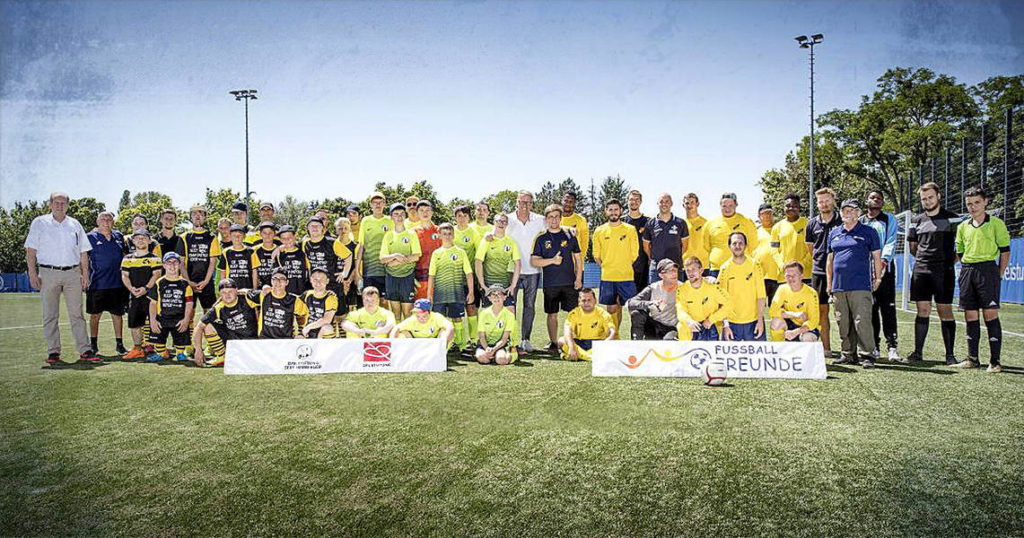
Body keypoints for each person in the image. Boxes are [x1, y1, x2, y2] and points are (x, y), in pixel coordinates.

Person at [24, 192, 98, 364]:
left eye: (63, 203)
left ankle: (85, 349)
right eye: (56, 202)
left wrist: (85, 273)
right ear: (50, 204)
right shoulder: (40, 222)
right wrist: (32, 274)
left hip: (72, 273)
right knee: (50, 314)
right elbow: (30, 251)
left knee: (77, 314)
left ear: (67, 205)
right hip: (48, 273)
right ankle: (53, 351)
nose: (59, 205)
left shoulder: (75, 224)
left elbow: (83, 252)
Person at [954, 187, 1011, 372]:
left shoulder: (996, 224)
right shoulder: (962, 227)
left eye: (977, 202)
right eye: (969, 204)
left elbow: (1005, 251)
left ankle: (995, 362)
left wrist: (998, 274)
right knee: (970, 315)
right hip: (967, 270)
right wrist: (967, 269)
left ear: (985, 202)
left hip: (988, 270)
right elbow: (960, 252)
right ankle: (972, 358)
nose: (973, 207)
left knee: (990, 315)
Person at [905, 182, 960, 365]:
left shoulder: (952, 219)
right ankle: (918, 352)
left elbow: (960, 246)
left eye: (930, 197)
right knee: (923, 310)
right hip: (921, 270)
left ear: (938, 196)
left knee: (945, 311)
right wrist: (924, 259)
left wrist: (946, 263)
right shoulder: (916, 220)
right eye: (924, 199)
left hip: (944, 272)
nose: (927, 201)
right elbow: (913, 247)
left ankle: (950, 355)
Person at [826, 199, 883, 368]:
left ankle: (867, 355)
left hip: (860, 285)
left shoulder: (869, 232)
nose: (847, 213)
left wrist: (878, 278)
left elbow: (876, 257)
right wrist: (829, 283)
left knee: (862, 320)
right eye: (845, 210)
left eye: (852, 210)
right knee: (843, 321)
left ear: (859, 213)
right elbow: (830, 260)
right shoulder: (834, 233)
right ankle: (848, 354)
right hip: (838, 286)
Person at [531, 204, 583, 354]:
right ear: (546, 219)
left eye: (556, 216)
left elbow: (578, 258)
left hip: (569, 282)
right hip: (550, 283)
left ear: (560, 218)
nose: (553, 219)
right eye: (550, 217)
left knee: (573, 313)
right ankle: (553, 342)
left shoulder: (569, 235)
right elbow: (534, 261)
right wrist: (552, 261)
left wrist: (578, 278)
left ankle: (574, 340)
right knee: (552, 314)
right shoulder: (541, 238)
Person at [504, 190, 546, 352]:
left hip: (533, 270)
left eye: (528, 202)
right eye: (522, 202)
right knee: (510, 306)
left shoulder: (539, 219)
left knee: (529, 306)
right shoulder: (507, 219)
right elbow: (494, 231)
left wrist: (568, 228)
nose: (525, 205)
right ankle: (511, 340)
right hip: (511, 270)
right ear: (517, 202)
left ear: (532, 204)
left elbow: (554, 223)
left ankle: (525, 340)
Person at [860, 189, 900, 362]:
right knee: (871, 309)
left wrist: (882, 262)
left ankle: (892, 347)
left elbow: (891, 241)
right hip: (865, 272)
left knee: (888, 308)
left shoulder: (889, 219)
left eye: (879, 198)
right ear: (866, 200)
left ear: (882, 202)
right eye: (872, 197)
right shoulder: (860, 221)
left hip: (885, 271)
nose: (875, 200)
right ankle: (874, 346)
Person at [803, 187, 842, 357]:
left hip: (841, 272)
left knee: (843, 312)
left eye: (827, 200)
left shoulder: (842, 221)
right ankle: (826, 349)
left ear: (833, 201)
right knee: (822, 311)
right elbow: (811, 248)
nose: (824, 204)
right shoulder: (812, 224)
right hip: (819, 272)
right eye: (820, 201)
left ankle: (848, 350)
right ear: (817, 204)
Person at [592, 198, 639, 338]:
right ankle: (614, 337)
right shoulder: (599, 231)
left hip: (626, 276)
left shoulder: (630, 229)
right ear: (606, 212)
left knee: (632, 309)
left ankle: (636, 336)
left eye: (616, 209)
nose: (613, 212)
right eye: (610, 210)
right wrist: (607, 266)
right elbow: (596, 255)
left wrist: (622, 264)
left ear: (621, 211)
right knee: (612, 308)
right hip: (608, 277)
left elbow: (634, 253)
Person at [86, 211, 128, 354]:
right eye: (103, 218)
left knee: (117, 315)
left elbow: (125, 256)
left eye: (109, 218)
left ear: (113, 222)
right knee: (95, 315)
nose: (106, 221)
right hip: (97, 284)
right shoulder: (89, 237)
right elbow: (83, 259)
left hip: (117, 283)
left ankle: (120, 344)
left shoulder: (119, 237)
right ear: (97, 221)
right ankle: (93, 345)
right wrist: (83, 276)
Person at [192, 278, 259, 367]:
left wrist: (248, 291)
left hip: (252, 341)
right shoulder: (218, 308)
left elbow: (268, 294)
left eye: (230, 291)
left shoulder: (247, 298)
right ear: (220, 294)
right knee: (207, 325)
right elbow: (199, 327)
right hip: (233, 342)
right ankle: (222, 356)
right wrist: (198, 350)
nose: (227, 295)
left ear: (236, 290)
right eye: (224, 292)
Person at [428, 223, 475, 350]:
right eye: (444, 234)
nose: (447, 236)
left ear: (453, 235)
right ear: (439, 236)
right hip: (440, 293)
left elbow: (469, 273)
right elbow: (431, 275)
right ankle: (440, 346)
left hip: (457, 292)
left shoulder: (461, 252)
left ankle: (460, 345)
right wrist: (429, 294)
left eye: (449, 234)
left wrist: (471, 292)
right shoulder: (436, 253)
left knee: (457, 318)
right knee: (439, 319)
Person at [120, 230, 162, 359]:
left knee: (153, 321)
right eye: (137, 238)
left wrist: (145, 288)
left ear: (149, 241)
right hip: (134, 295)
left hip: (151, 296)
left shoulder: (154, 258)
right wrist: (132, 289)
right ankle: (137, 348)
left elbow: (157, 274)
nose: (140, 240)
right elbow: (124, 276)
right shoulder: (127, 259)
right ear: (133, 241)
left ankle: (153, 347)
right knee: (134, 323)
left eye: (144, 238)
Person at [146, 252, 195, 363]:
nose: (172, 266)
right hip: (162, 317)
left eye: (175, 262)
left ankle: (180, 353)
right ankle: (161, 353)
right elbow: (153, 303)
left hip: (179, 318)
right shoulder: (159, 283)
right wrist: (153, 320)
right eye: (169, 262)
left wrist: (186, 319)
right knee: (158, 336)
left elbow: (189, 303)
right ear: (164, 265)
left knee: (181, 337)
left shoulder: (184, 283)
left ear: (180, 264)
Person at [718, 232, 766, 341]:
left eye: (741, 243)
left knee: (757, 358)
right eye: (734, 243)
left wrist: (760, 321)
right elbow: (721, 300)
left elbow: (761, 296)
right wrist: (726, 325)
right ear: (729, 246)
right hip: (731, 324)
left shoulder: (755, 265)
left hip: (753, 322)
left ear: (745, 245)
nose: (738, 246)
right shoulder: (725, 268)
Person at [379, 203, 421, 319]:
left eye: (402, 214)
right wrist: (396, 255)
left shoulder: (411, 234)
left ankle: (407, 336)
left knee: (408, 312)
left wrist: (395, 261)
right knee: (395, 313)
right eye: (396, 214)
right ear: (391, 217)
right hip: (391, 278)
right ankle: (396, 337)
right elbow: (382, 259)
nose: (399, 217)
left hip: (407, 277)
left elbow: (416, 256)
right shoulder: (388, 236)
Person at [179, 205, 221, 316]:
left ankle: (207, 334)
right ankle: (190, 334)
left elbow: (213, 263)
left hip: (206, 282)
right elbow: (181, 263)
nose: (198, 216)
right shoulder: (183, 237)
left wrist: (206, 281)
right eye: (194, 214)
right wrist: (189, 282)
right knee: (188, 313)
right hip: (189, 281)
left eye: (201, 214)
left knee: (209, 314)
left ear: (205, 217)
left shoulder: (212, 237)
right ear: (190, 217)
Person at [475, 213, 522, 314]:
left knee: (510, 310)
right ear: (494, 223)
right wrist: (483, 285)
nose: (501, 223)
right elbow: (478, 261)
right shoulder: (487, 240)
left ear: (507, 224)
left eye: (504, 221)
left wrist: (513, 285)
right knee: (490, 314)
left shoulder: (511, 241)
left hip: (504, 284)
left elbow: (518, 263)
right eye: (499, 221)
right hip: (488, 284)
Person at [704, 192, 758, 277]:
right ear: (720, 206)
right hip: (717, 270)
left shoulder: (746, 221)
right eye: (724, 206)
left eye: (730, 205)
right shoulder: (710, 224)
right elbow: (706, 246)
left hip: (741, 268)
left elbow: (753, 245)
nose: (727, 209)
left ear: (736, 205)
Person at [675, 256, 730, 341]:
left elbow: (729, 304)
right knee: (681, 326)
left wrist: (712, 319)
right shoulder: (682, 289)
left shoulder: (712, 287)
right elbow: (680, 310)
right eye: (688, 270)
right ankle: (686, 351)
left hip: (710, 325)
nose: (690, 273)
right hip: (693, 325)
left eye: (693, 269)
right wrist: (689, 321)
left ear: (701, 270)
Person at [626, 259, 680, 340]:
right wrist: (650, 304)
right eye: (670, 271)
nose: (674, 274)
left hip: (672, 327)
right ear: (661, 275)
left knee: (669, 343)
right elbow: (630, 303)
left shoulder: (683, 288)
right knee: (637, 314)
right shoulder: (653, 288)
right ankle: (636, 345)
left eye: (675, 270)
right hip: (654, 325)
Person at [302, 216, 352, 302]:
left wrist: (345, 273)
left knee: (339, 313)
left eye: (317, 225)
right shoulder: (305, 243)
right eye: (312, 226)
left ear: (322, 228)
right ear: (308, 228)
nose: (315, 228)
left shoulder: (332, 242)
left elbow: (348, 256)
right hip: (316, 284)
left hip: (333, 283)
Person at [252, 267, 310, 339]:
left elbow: (304, 315)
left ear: (287, 282)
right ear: (271, 281)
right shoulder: (264, 295)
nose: (278, 281)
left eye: (282, 279)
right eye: (275, 278)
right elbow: (245, 295)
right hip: (265, 339)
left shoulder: (294, 300)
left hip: (285, 340)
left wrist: (300, 333)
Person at [768, 261, 820, 342]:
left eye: (794, 275)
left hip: (805, 328)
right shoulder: (782, 289)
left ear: (802, 276)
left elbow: (813, 321)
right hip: (790, 324)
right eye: (788, 275)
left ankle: (804, 354)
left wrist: (796, 332)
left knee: (808, 337)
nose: (791, 278)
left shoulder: (811, 293)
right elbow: (773, 311)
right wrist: (794, 314)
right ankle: (779, 351)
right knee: (775, 323)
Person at [453, 205, 482, 352]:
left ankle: (474, 340)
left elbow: (478, 255)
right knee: (455, 311)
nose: (462, 218)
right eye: (459, 215)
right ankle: (458, 341)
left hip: (470, 278)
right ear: (455, 217)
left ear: (469, 217)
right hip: (453, 279)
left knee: (471, 308)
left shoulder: (474, 232)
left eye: (465, 215)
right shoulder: (451, 232)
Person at [559, 288, 615, 361]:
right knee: (561, 340)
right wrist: (571, 347)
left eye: (589, 300)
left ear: (595, 300)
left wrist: (608, 341)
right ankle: (591, 357)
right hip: (580, 342)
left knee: (611, 344)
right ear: (579, 301)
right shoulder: (574, 313)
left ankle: (577, 356)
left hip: (598, 343)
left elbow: (612, 331)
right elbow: (567, 332)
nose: (586, 303)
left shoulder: (603, 314)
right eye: (583, 300)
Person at [643, 193, 688, 283]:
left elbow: (685, 246)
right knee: (656, 295)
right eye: (661, 202)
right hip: (656, 269)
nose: (664, 204)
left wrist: (674, 257)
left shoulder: (680, 223)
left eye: (667, 201)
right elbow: (646, 247)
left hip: (676, 267)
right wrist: (654, 258)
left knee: (677, 296)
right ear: (657, 204)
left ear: (671, 203)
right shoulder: (650, 223)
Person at [356, 192, 393, 302]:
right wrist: (357, 271)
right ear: (370, 205)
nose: (377, 205)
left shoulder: (390, 220)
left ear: (385, 204)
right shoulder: (365, 221)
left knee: (384, 301)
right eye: (374, 202)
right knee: (370, 301)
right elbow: (361, 245)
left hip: (386, 269)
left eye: (380, 202)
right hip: (369, 270)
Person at [770, 193, 812, 287]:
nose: (791, 208)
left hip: (804, 275)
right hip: (784, 276)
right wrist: (783, 266)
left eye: (794, 206)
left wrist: (801, 266)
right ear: (783, 207)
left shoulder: (808, 224)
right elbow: (774, 250)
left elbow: (812, 249)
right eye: (788, 206)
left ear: (799, 207)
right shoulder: (777, 227)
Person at [475, 285, 519, 365]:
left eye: (499, 294)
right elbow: (482, 336)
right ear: (489, 298)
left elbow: (505, 338)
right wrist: (487, 348)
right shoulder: (483, 314)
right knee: (482, 359)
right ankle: (492, 356)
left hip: (501, 345)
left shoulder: (509, 315)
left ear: (505, 297)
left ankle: (510, 354)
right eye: (493, 295)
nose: (496, 297)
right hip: (486, 344)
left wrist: (494, 349)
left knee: (501, 360)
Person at [390, 299, 455, 348]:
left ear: (429, 312)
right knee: (402, 334)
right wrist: (392, 343)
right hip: (416, 343)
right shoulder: (413, 319)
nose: (420, 318)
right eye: (418, 315)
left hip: (434, 342)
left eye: (424, 316)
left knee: (444, 331)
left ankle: (442, 353)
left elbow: (450, 327)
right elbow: (396, 328)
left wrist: (445, 341)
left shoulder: (436, 317)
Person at [413, 200, 442, 301]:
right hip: (420, 277)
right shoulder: (413, 232)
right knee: (422, 310)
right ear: (416, 213)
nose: (425, 213)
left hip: (439, 276)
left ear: (432, 212)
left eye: (427, 210)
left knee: (439, 310)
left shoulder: (440, 231)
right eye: (421, 210)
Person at [623, 189, 650, 292]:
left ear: (641, 202)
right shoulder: (621, 221)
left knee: (641, 299)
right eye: (631, 199)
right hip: (625, 267)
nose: (634, 202)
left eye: (637, 199)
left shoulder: (648, 222)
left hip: (643, 267)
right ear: (627, 201)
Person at [753, 203, 780, 306]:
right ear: (759, 216)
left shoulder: (778, 230)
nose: (767, 216)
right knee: (758, 309)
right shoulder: (755, 232)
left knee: (776, 308)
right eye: (764, 214)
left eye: (769, 213)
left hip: (777, 275)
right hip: (760, 276)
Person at [300, 268, 339, 339]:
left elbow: (327, 320)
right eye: (315, 279)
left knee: (327, 328)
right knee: (297, 338)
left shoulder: (331, 297)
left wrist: (308, 327)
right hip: (308, 332)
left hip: (322, 333)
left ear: (327, 281)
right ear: (311, 280)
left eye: (321, 280)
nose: (318, 283)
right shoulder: (307, 294)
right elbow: (292, 301)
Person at [272, 225, 310, 295]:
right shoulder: (278, 254)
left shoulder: (303, 251)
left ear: (295, 236)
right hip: (286, 294)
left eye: (289, 237)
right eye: (283, 238)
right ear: (280, 240)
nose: (287, 240)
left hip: (302, 291)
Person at [218, 225, 257, 289]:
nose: (237, 238)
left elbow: (254, 272)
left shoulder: (251, 251)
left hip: (247, 288)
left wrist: (254, 289)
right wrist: (223, 289)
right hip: (230, 288)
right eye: (234, 236)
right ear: (230, 236)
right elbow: (223, 273)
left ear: (244, 236)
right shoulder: (225, 252)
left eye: (240, 235)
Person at [335, 216, 361, 311]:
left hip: (351, 281)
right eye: (340, 228)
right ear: (336, 230)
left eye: (346, 228)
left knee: (351, 309)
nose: (343, 230)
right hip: (336, 281)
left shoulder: (355, 246)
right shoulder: (332, 244)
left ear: (350, 229)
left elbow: (356, 265)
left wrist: (348, 281)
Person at [682, 193, 709, 272]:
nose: (689, 205)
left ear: (697, 204)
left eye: (692, 202)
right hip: (685, 266)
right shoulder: (680, 224)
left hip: (703, 266)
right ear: (683, 205)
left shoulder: (706, 223)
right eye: (687, 203)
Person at [560, 191, 590, 260]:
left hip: (575, 265)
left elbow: (584, 243)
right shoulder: (554, 218)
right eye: (566, 200)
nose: (568, 203)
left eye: (571, 201)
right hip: (557, 265)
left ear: (574, 204)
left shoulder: (581, 220)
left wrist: (579, 260)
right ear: (562, 201)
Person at [252, 221, 279, 288]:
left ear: (274, 234)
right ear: (260, 234)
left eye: (270, 233)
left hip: (276, 287)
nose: (267, 235)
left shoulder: (279, 250)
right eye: (264, 233)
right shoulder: (254, 250)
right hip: (259, 287)